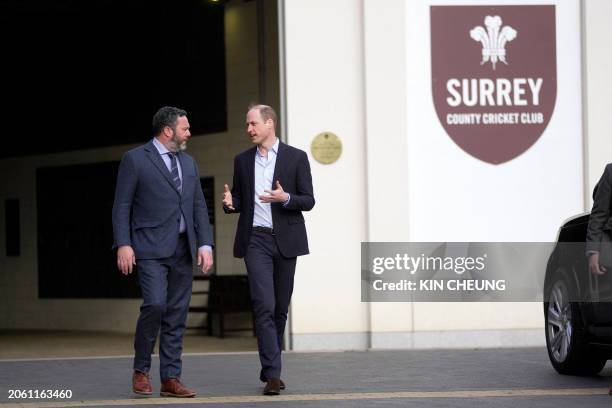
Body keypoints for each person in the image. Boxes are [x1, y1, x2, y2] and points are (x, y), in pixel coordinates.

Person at [112, 106, 214, 398]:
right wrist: (124, 243)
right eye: (185, 128)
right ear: (168, 130)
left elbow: (197, 206)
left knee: (176, 314)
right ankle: (141, 370)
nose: (189, 133)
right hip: (148, 248)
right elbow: (122, 206)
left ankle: (170, 378)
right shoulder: (135, 159)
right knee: (155, 305)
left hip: (183, 250)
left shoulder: (190, 163)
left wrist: (205, 244)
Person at [223, 104, 315, 395]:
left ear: (269, 124)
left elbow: (309, 200)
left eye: (253, 124)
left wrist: (285, 197)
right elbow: (239, 197)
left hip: (286, 240)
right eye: (247, 125)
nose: (248, 129)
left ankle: (268, 366)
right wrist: (230, 203)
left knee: (279, 308)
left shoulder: (296, 158)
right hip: (255, 241)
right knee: (263, 304)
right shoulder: (242, 160)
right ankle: (273, 375)